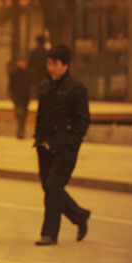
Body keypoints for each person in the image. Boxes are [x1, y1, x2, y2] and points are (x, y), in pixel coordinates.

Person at [33, 45, 91, 246]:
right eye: (49, 63)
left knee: (54, 185)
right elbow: (41, 116)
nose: (52, 68)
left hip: (64, 146)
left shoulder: (76, 89)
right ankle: (79, 215)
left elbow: (82, 120)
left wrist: (72, 141)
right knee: (49, 187)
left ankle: (49, 233)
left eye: (56, 64)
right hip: (45, 145)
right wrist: (38, 138)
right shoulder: (44, 86)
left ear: (66, 65)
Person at [8, 57, 33, 139]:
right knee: (19, 113)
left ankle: (21, 129)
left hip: (26, 96)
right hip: (17, 96)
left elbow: (31, 85)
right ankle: (20, 130)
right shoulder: (14, 73)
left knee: (24, 114)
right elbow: (11, 85)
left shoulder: (29, 73)